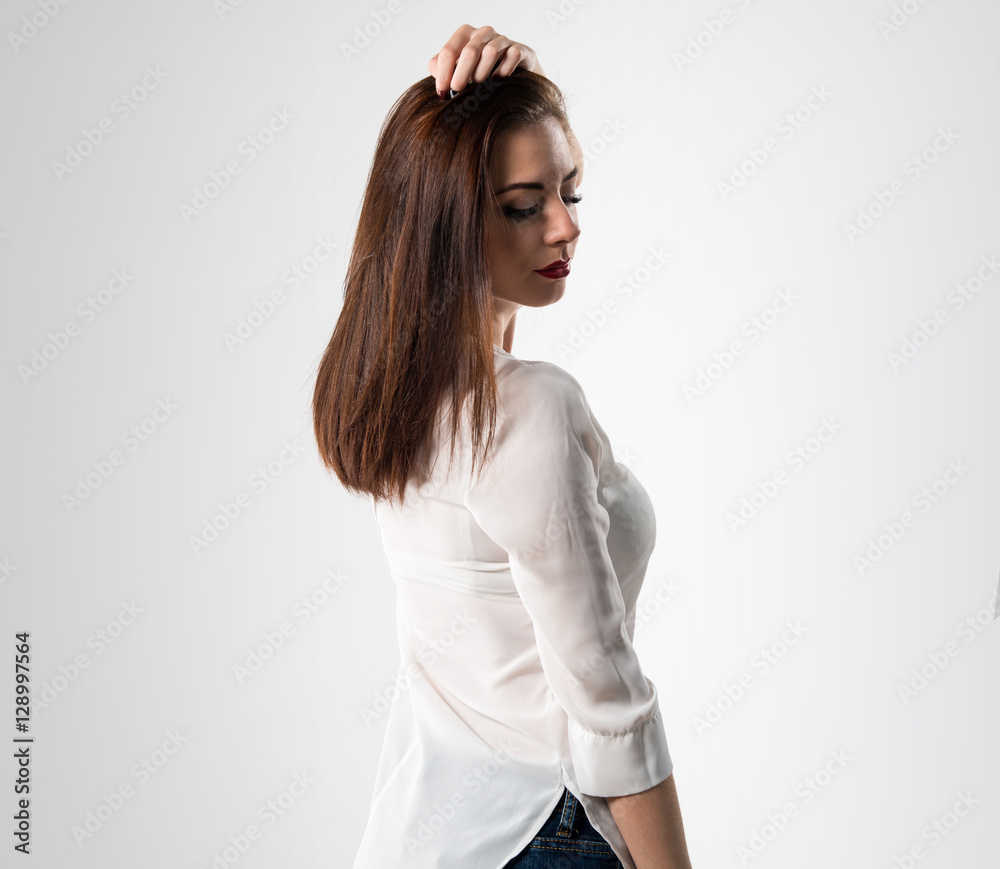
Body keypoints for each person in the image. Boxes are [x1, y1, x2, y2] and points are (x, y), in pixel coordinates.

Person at [312, 24, 693, 869]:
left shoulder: (391, 392)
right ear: (447, 222)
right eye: (525, 206)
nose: (565, 227)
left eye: (571, 191)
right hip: (544, 829)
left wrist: (517, 99)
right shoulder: (529, 407)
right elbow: (609, 705)